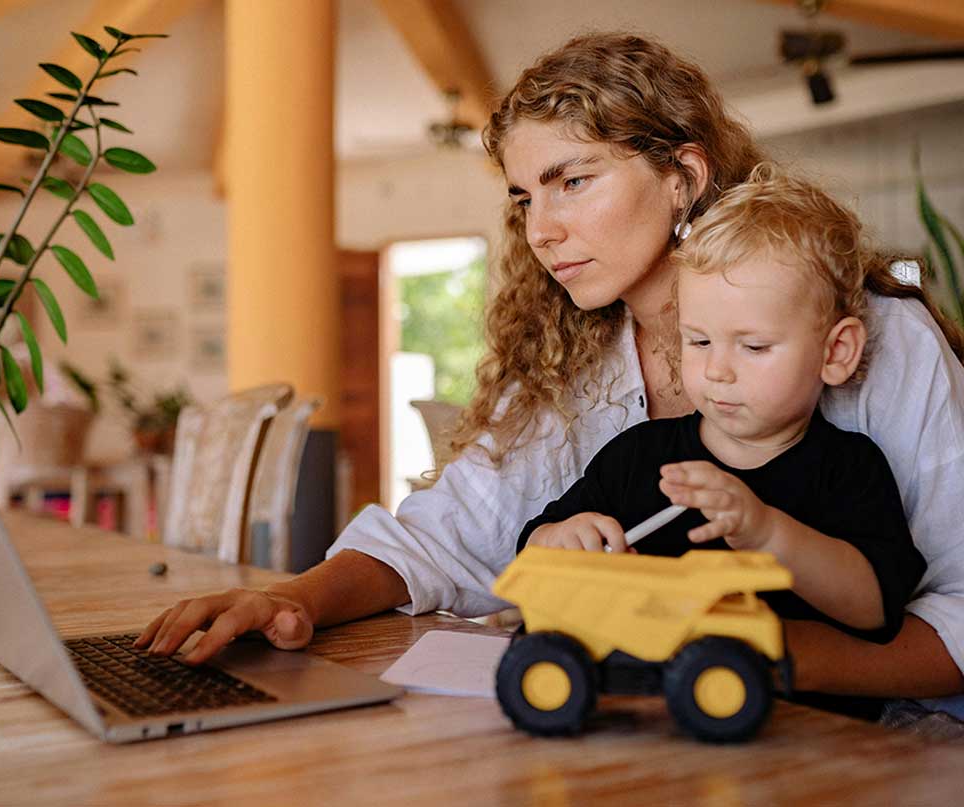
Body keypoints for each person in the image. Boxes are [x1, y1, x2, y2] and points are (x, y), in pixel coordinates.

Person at [136, 32, 964, 709]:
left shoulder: (880, 344)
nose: (541, 229)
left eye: (573, 181)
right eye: (526, 197)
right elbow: (442, 535)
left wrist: (743, 651)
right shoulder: (573, 359)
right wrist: (295, 599)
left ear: (683, 177)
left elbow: (956, 625)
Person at [519, 167, 925, 662]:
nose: (717, 371)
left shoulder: (849, 469)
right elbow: (533, 548)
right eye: (699, 341)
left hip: (800, 727)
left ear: (836, 352)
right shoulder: (638, 456)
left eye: (753, 346)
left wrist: (766, 531)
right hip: (643, 717)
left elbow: (875, 608)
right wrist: (560, 540)